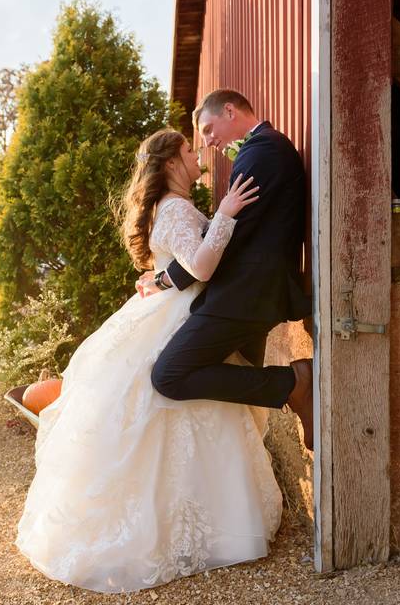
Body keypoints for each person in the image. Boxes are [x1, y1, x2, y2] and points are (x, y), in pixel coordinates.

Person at [16, 128, 283, 593]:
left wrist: (162, 279)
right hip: (177, 317)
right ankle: (202, 527)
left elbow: (180, 265)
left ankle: (199, 524)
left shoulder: (172, 208)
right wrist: (224, 213)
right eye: (188, 150)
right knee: (174, 399)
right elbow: (202, 266)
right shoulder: (177, 207)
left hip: (174, 306)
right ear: (172, 164)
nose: (197, 153)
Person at [137, 89, 314, 451]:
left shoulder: (261, 151)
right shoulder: (260, 150)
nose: (206, 142)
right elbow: (228, 230)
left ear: (230, 111)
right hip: (246, 292)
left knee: (168, 375)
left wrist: (169, 278)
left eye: (206, 129)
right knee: (236, 385)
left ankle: (295, 382)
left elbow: (235, 232)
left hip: (245, 294)